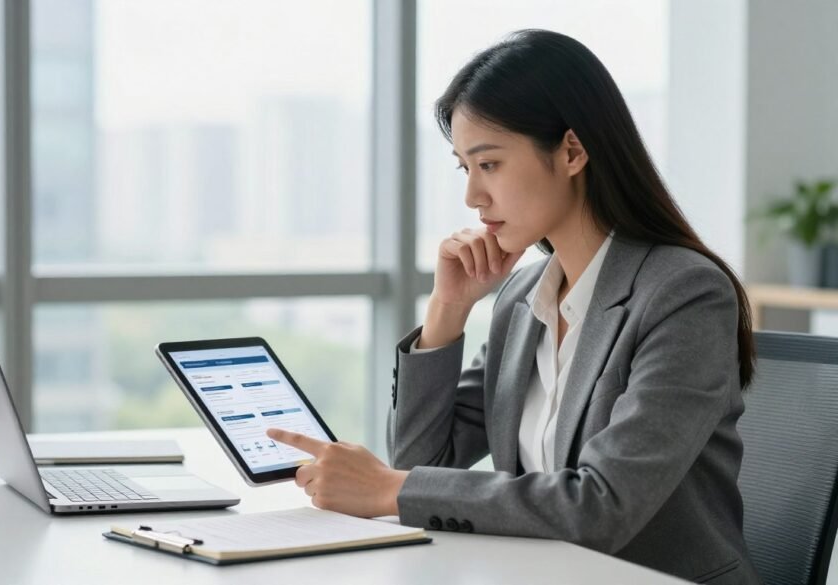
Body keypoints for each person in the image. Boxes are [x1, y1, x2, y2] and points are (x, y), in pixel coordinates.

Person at [266, 29, 759, 584]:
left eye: (490, 164)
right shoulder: (524, 299)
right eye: (465, 168)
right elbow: (421, 460)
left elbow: (602, 505)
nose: (472, 196)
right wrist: (447, 311)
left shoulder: (683, 293)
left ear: (572, 151)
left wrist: (387, 489)